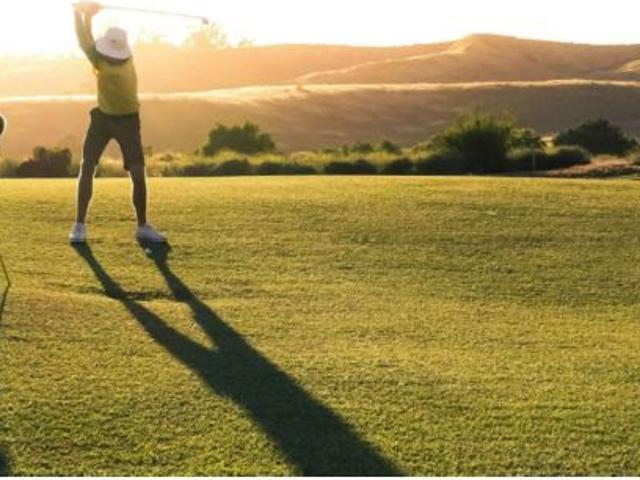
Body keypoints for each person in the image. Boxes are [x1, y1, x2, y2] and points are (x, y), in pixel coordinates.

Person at [69, 2, 166, 244]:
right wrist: (84, 14)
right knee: (88, 166)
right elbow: (86, 40)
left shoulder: (103, 62)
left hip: (127, 122)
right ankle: (79, 225)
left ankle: (142, 226)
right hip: (103, 118)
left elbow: (84, 41)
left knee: (137, 173)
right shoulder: (117, 58)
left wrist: (82, 13)